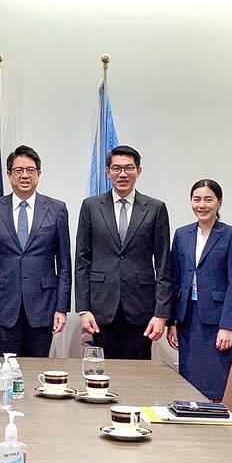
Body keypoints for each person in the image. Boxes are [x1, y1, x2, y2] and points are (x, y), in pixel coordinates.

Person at [76, 145, 171, 360]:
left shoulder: (155, 208)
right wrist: (83, 309)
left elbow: (164, 263)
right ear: (107, 171)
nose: (122, 174)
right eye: (116, 168)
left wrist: (161, 313)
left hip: (141, 308)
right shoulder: (91, 206)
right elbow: (82, 260)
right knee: (102, 371)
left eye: (129, 168)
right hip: (101, 307)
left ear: (138, 171)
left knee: (138, 373)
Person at [0, 144, 71, 357]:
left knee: (37, 369)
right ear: (9, 175)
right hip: (3, 306)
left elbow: (64, 264)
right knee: (6, 369)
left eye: (30, 170)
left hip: (43, 306)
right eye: (18, 170)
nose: (24, 175)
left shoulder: (56, 209)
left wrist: (61, 308)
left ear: (39, 174)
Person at [166, 179, 232, 401]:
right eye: (197, 199)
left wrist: (228, 326)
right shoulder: (182, 234)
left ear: (219, 203)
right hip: (188, 319)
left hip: (218, 322)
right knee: (188, 385)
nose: (202, 205)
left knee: (217, 385)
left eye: (208, 199)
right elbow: (175, 279)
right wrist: (171, 322)